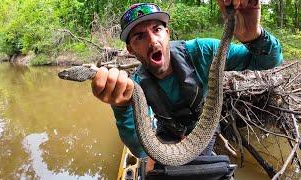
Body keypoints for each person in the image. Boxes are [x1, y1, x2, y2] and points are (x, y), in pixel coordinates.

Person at [91, 1, 283, 161]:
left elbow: (269, 61)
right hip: (167, 135)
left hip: (204, 130)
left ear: (167, 33)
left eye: (156, 29)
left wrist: (253, 36)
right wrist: (122, 107)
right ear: (131, 49)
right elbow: (141, 150)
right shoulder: (133, 86)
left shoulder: (202, 51)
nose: (152, 41)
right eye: (140, 37)